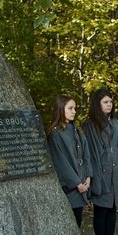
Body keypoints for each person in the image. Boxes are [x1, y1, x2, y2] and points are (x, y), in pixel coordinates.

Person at [82, 88, 118, 235]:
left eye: (110, 101)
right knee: (101, 212)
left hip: (115, 175)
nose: (109, 104)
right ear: (97, 104)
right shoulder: (89, 126)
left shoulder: (116, 124)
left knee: (112, 211)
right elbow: (88, 155)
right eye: (105, 102)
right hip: (100, 176)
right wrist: (91, 178)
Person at [46, 95, 92, 228]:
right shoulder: (55, 134)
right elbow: (60, 163)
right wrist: (77, 183)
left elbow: (86, 156)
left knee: (78, 222)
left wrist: (88, 177)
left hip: (83, 183)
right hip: (69, 189)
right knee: (70, 225)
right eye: (70, 108)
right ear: (61, 109)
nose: (74, 111)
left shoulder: (77, 131)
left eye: (75, 108)